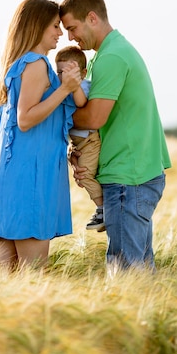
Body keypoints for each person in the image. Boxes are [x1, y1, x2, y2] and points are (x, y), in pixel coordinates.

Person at [59, 0, 172, 271]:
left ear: (92, 18)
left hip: (128, 178)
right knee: (139, 269)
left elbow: (95, 118)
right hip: (134, 173)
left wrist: (50, 117)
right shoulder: (111, 53)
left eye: (72, 28)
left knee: (126, 272)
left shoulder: (112, 58)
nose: (70, 37)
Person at [0, 0, 82, 271]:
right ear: (37, 26)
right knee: (33, 277)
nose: (60, 33)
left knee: (9, 278)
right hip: (29, 180)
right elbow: (25, 119)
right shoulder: (37, 64)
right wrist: (64, 89)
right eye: (54, 26)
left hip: (10, 178)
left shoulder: (18, 65)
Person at [54, 45, 105, 232]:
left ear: (83, 73)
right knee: (82, 174)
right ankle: (102, 206)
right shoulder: (60, 88)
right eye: (60, 72)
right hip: (77, 142)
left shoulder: (82, 86)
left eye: (70, 72)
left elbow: (81, 103)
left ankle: (102, 208)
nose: (64, 77)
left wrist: (72, 86)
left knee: (85, 175)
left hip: (90, 141)